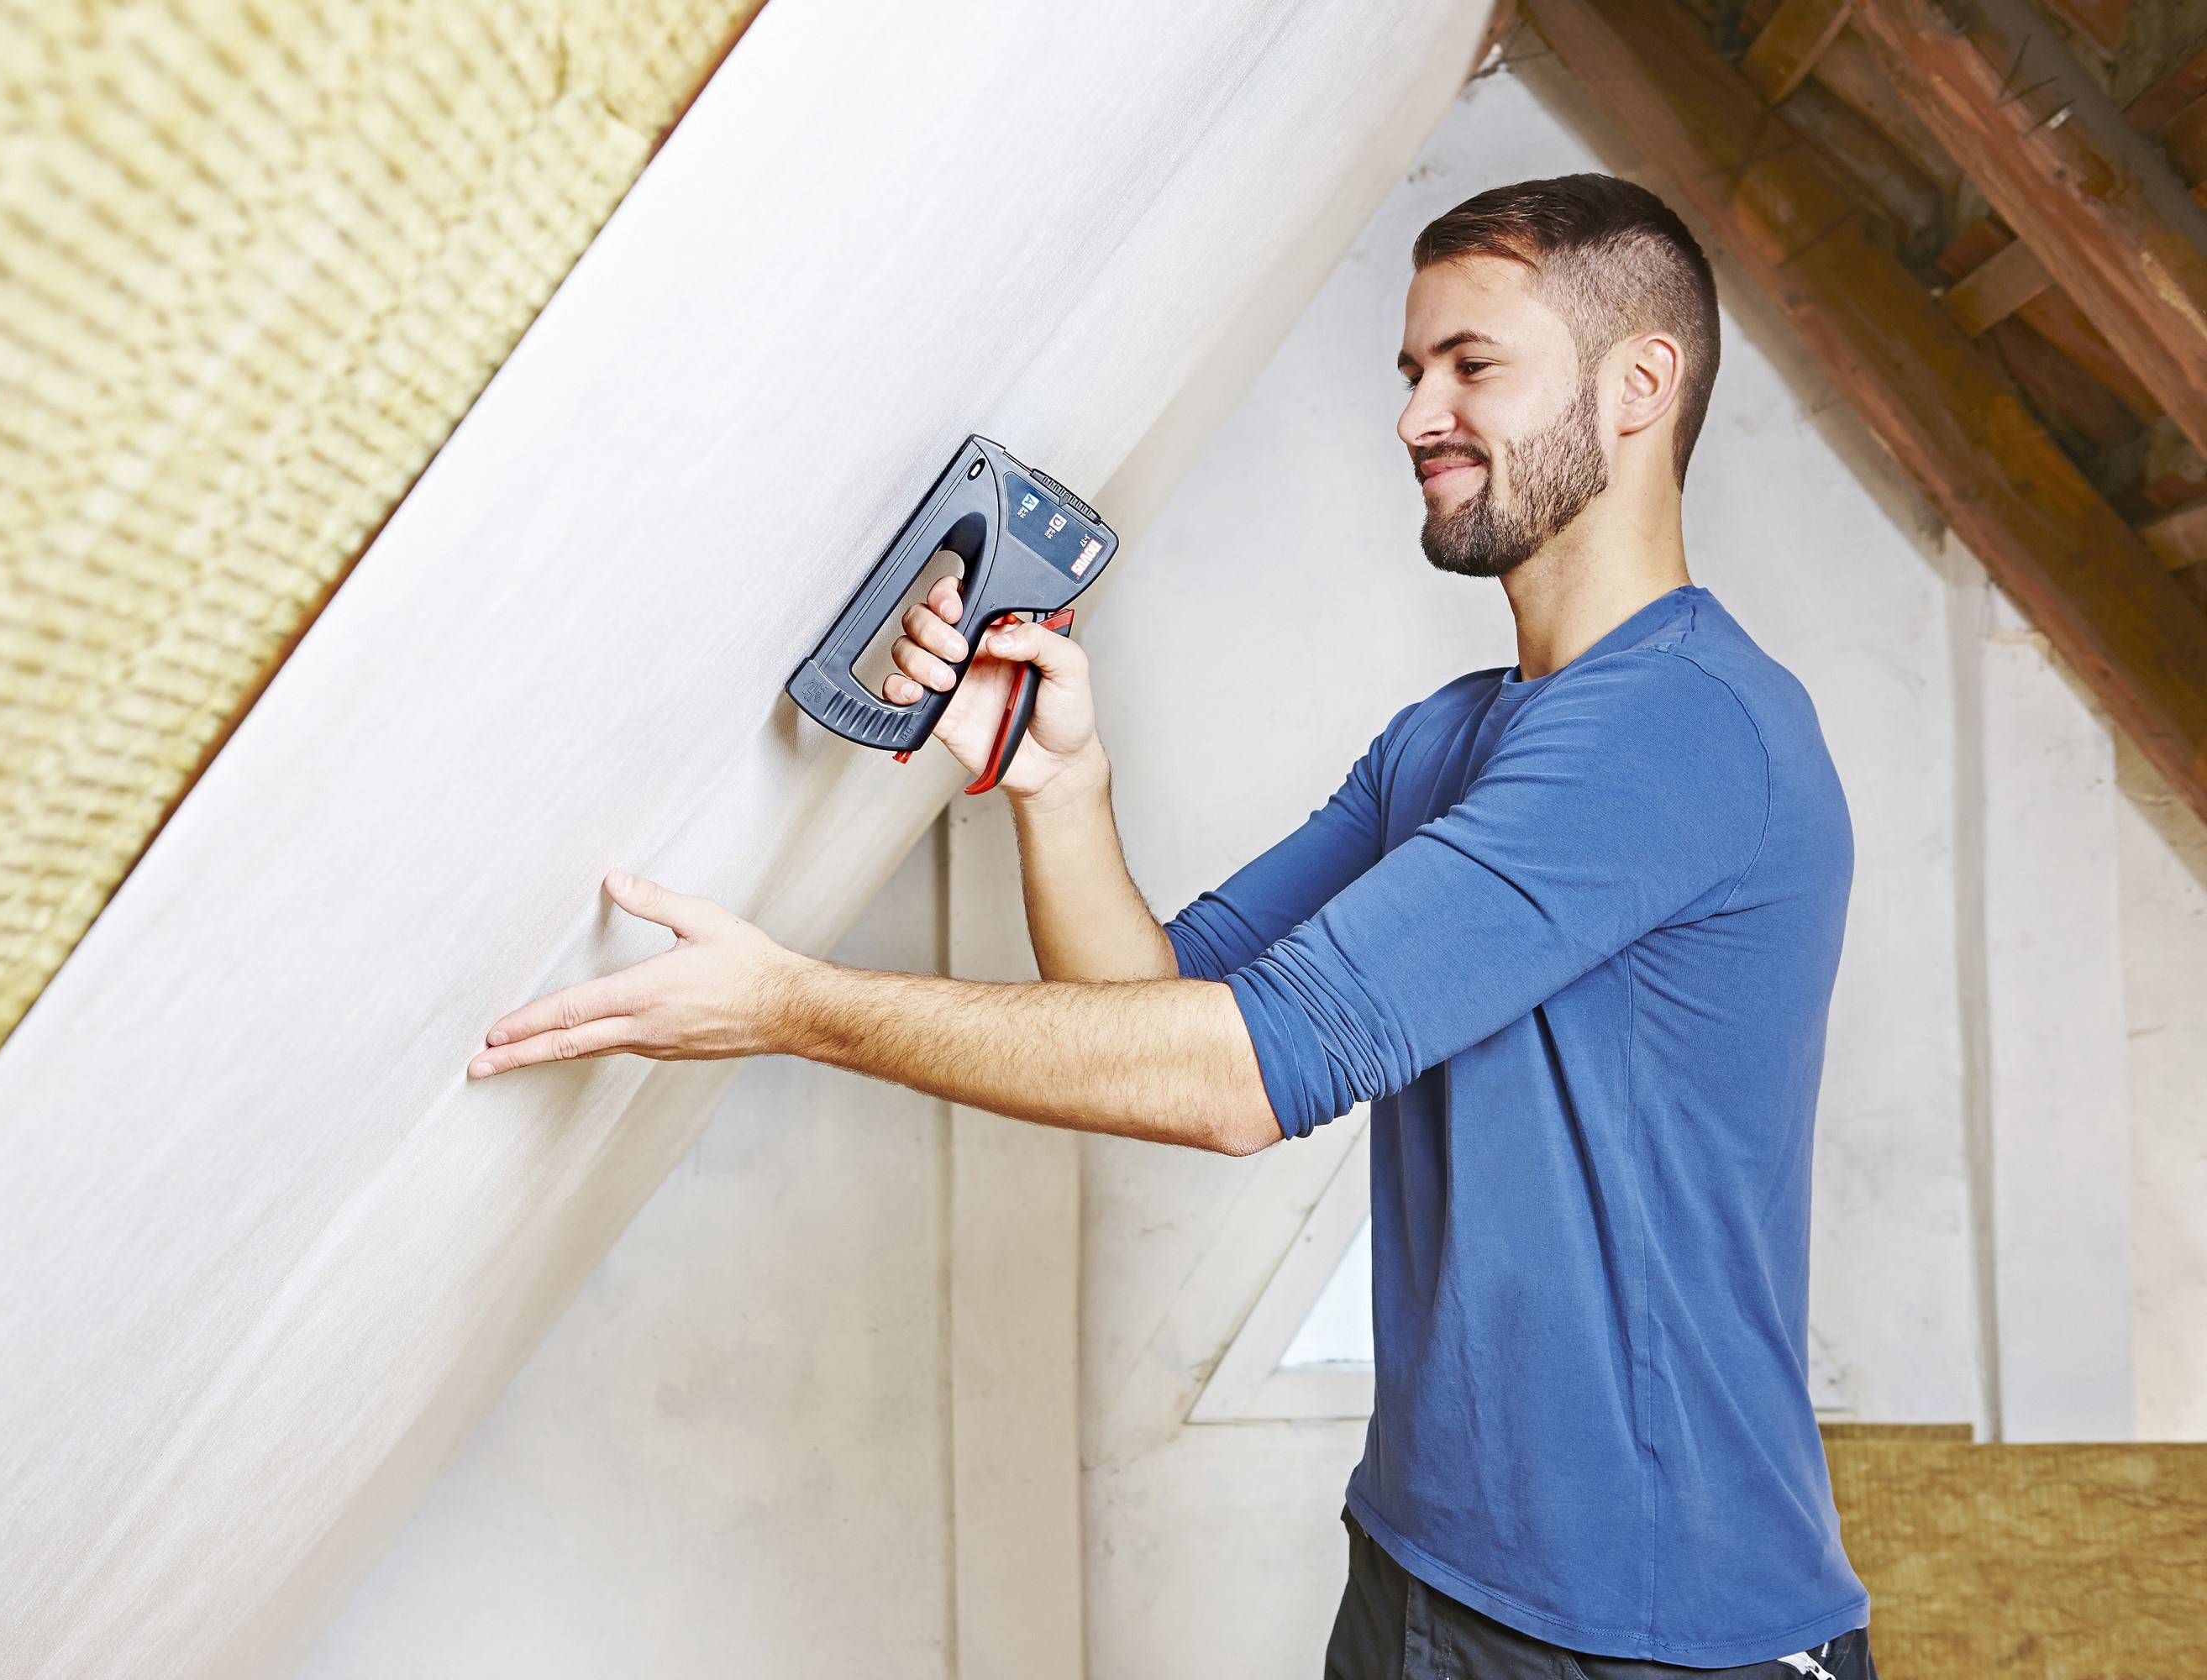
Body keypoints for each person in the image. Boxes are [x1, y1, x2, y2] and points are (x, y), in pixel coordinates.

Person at [467, 171, 1878, 1679]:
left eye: (1473, 365)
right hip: (1423, 1567)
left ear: (1639, 386)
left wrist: (791, 1007)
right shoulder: (1454, 739)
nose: (1416, 416)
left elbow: (1233, 1080)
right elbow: (1155, 1001)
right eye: (1411, 374)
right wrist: (1059, 788)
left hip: (1662, 1640)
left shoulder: (1686, 729)